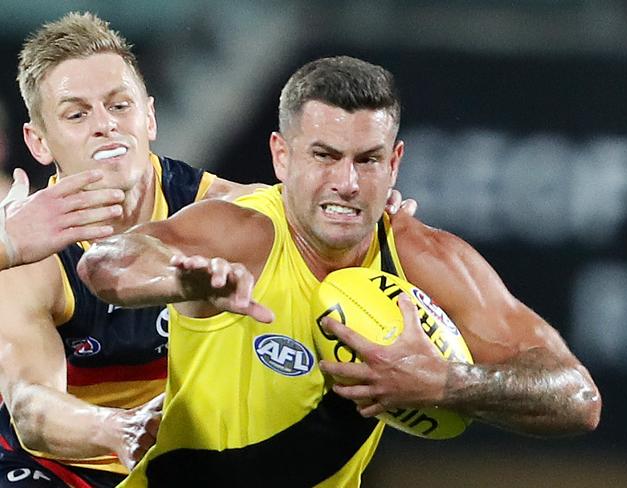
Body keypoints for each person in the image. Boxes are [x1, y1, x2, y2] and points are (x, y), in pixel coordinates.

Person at [78, 55, 601, 487]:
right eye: (324, 156)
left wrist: (448, 383)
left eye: (367, 160)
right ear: (282, 157)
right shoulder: (242, 234)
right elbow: (105, 264)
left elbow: (578, 398)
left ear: (394, 164)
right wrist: (178, 281)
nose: (347, 183)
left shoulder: (418, 258)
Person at [0, 14, 410, 488]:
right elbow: (29, 406)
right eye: (77, 114)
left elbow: (328, 215)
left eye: (119, 106)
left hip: (182, 463)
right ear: (38, 141)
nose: (105, 127)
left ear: (149, 117)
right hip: (60, 471)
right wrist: (118, 428)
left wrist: (358, 210)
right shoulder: (30, 249)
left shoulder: (230, 215)